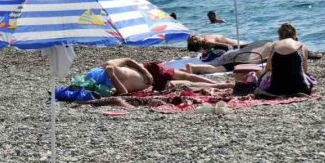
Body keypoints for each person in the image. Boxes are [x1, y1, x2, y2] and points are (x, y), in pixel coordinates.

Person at [88, 58, 227, 96]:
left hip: (150, 71)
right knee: (185, 83)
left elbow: (128, 60)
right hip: (151, 87)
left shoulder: (109, 65)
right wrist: (112, 77)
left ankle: (214, 82)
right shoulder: (110, 85)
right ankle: (220, 85)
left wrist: (145, 72)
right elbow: (123, 92)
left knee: (185, 76)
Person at [258, 23, 315, 96]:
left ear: (279, 35)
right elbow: (305, 70)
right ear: (295, 34)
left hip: (276, 89)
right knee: (308, 77)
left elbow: (268, 68)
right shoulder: (301, 45)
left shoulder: (274, 46)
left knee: (262, 80)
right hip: (301, 88)